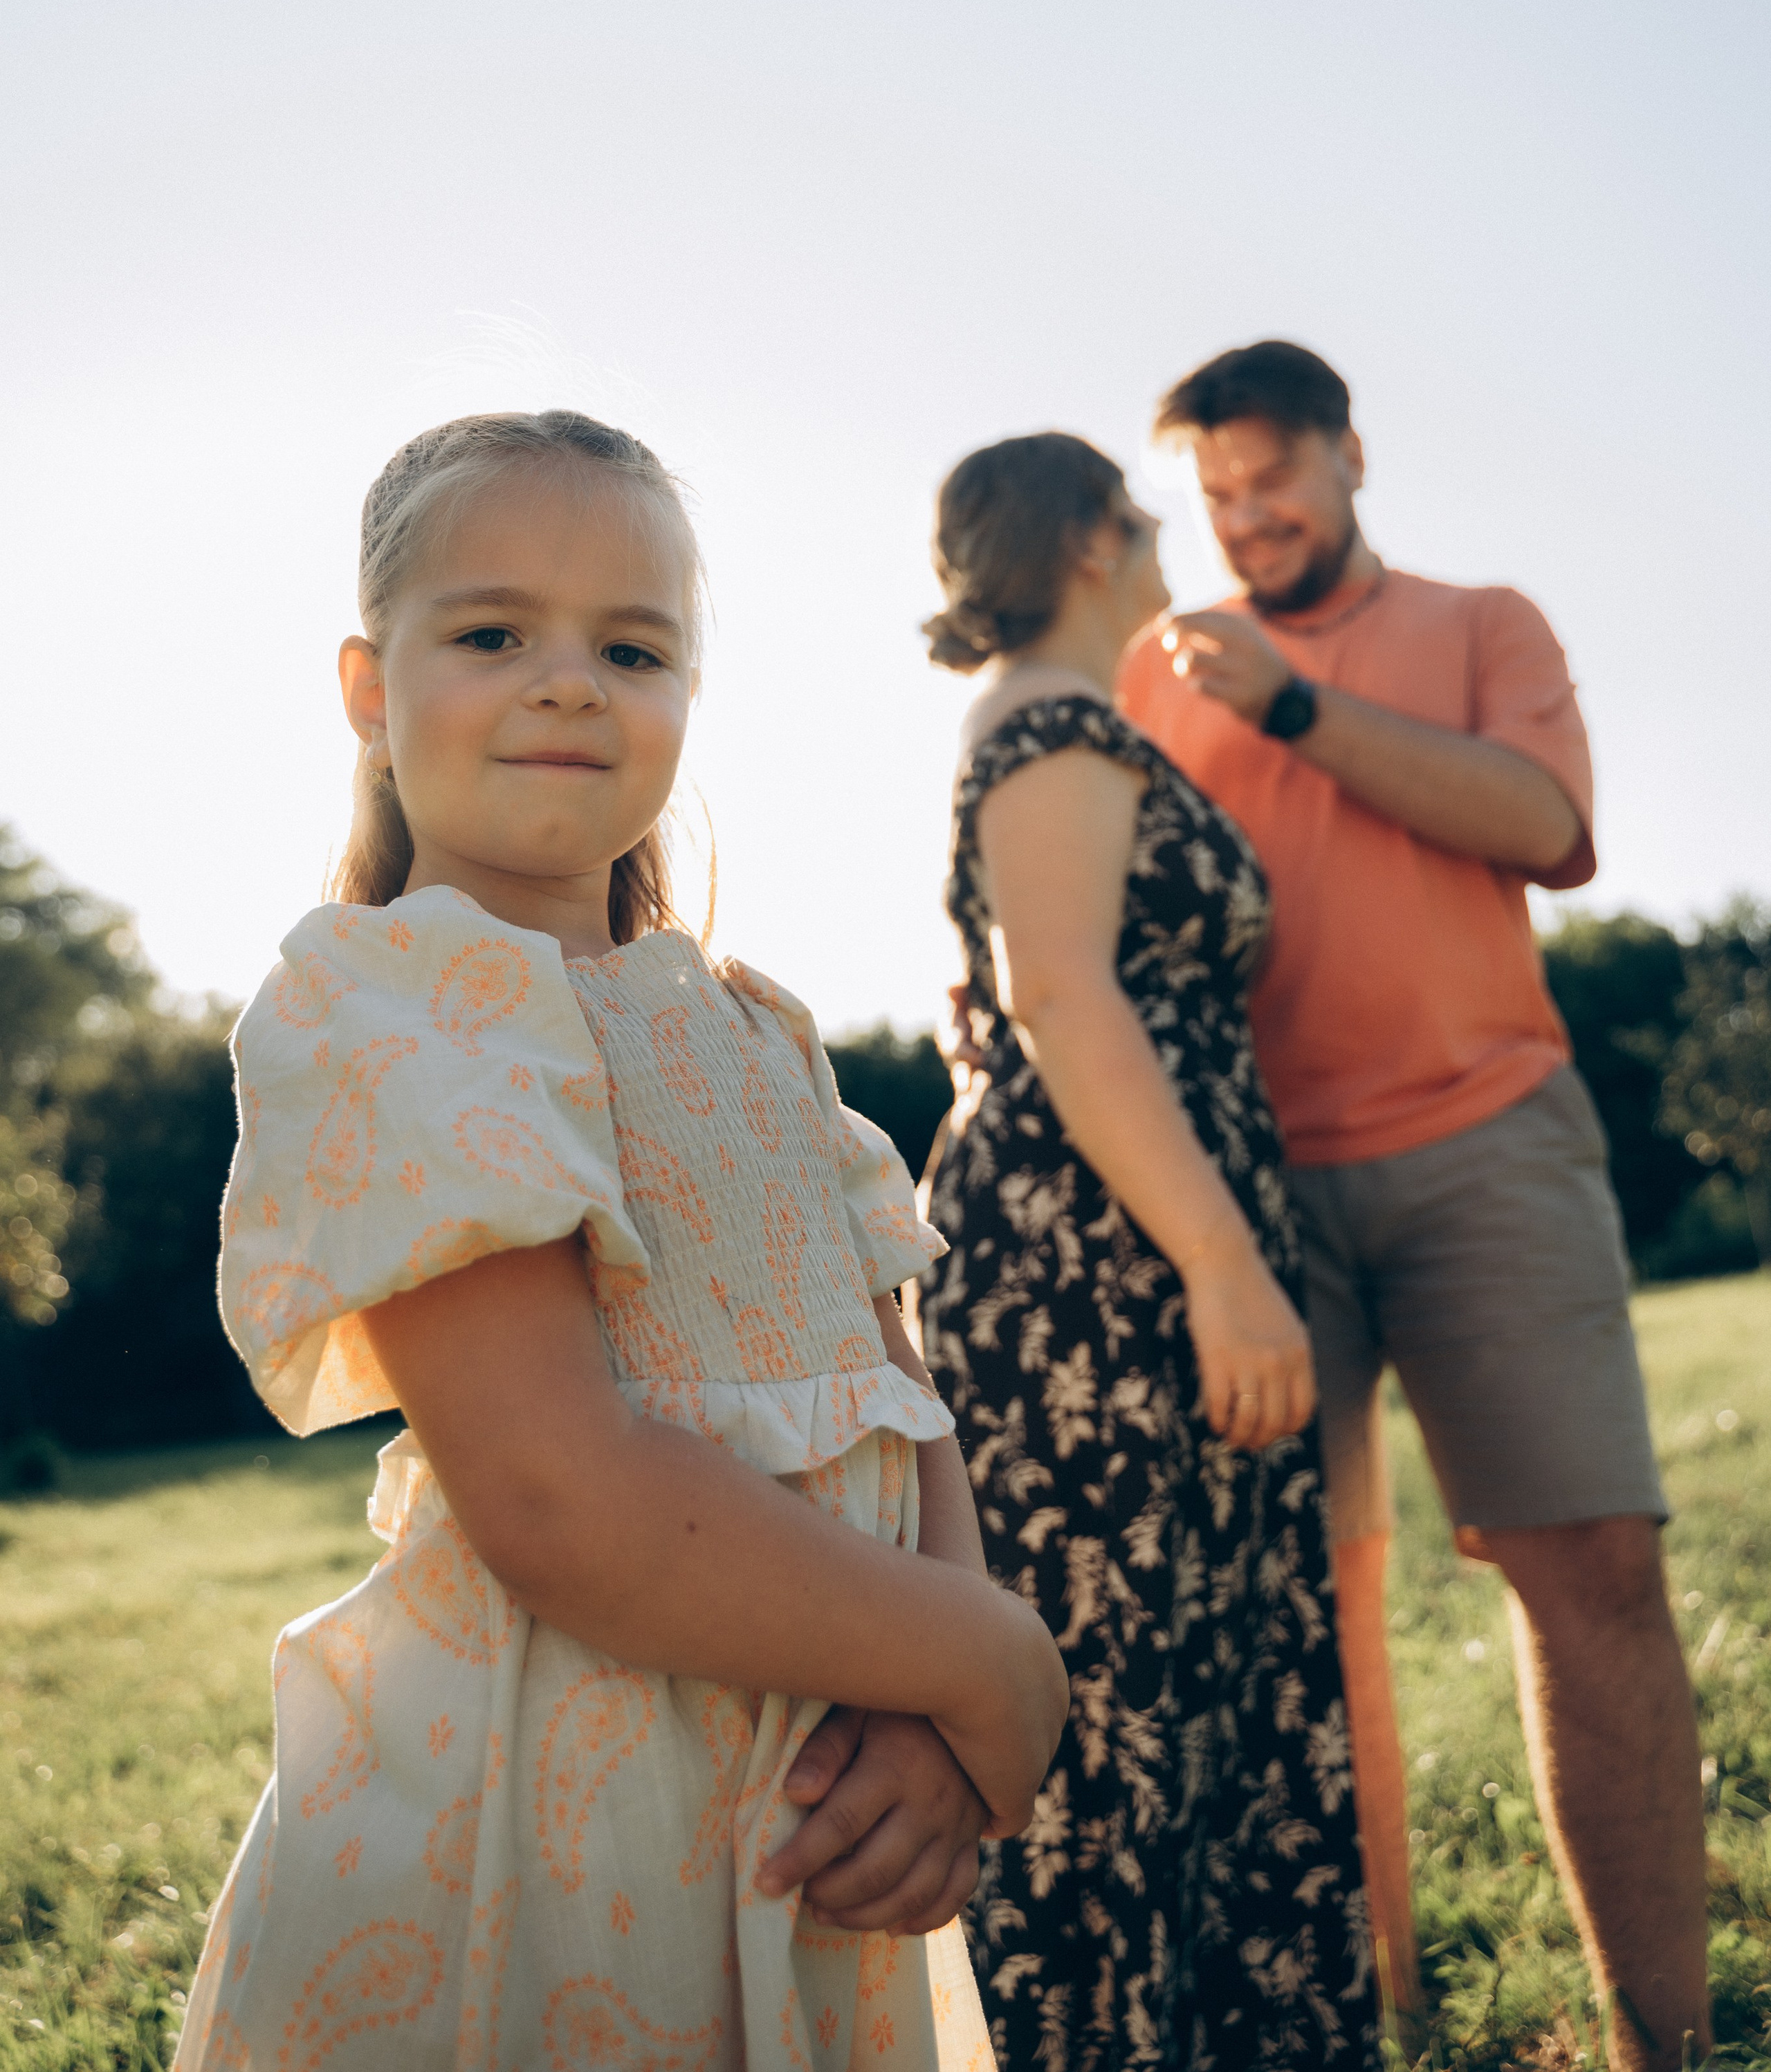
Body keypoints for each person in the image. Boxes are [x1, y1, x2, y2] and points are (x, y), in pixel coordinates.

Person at [175, 408, 1069, 2072]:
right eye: (494, 631)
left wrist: (937, 1718)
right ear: (370, 689)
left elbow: (899, 1391)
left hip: (812, 1797)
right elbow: (562, 1500)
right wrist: (992, 1658)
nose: (570, 679)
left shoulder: (756, 1030)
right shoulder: (396, 1004)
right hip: (549, 1835)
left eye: (632, 645)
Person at [1117, 341, 1708, 2069]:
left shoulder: (1479, 625)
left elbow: (1543, 823)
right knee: (1302, 1617)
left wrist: (1290, 706)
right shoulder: (1160, 675)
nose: (1246, 517)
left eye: (1272, 477)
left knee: (1589, 1564)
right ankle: (1376, 2021)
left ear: (1350, 454)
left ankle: (1658, 2045)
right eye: (1214, 494)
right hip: (1246, 1198)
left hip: (1486, 1143)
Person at [916, 432, 1381, 2072]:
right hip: (1096, 1289)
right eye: (1140, 511)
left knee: (1177, 1707)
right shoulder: (1052, 722)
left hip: (1126, 1264)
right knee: (1112, 1732)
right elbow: (1060, 996)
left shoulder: (1066, 720)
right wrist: (1224, 1266)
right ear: (1089, 537)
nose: (1163, 534)